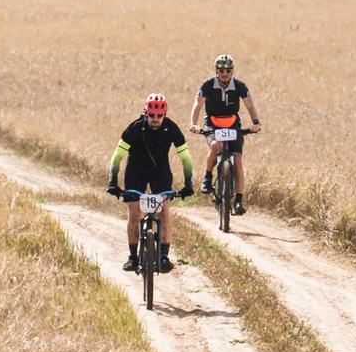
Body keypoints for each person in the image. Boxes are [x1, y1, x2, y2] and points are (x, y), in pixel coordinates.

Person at [109, 93, 193, 271]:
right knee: (134, 212)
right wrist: (112, 182)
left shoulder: (171, 128)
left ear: (164, 114)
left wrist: (188, 184)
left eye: (159, 116)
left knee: (164, 212)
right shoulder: (135, 128)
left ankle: (164, 257)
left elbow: (185, 157)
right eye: (152, 115)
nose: (155, 119)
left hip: (159, 170)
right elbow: (117, 156)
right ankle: (133, 258)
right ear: (146, 113)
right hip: (136, 170)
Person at [189, 53, 263, 216]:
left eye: (228, 71)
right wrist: (194, 123)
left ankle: (239, 200)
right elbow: (197, 105)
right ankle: (207, 178)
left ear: (232, 71)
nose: (225, 74)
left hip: (232, 124)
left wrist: (256, 122)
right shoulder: (208, 84)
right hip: (213, 123)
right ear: (216, 70)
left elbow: (250, 105)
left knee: (237, 159)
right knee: (215, 146)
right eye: (221, 70)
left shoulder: (239, 85)